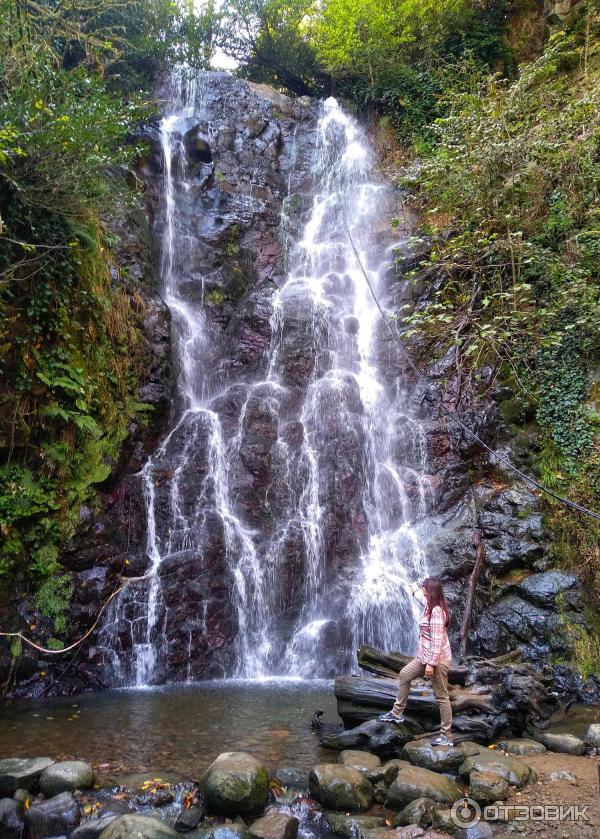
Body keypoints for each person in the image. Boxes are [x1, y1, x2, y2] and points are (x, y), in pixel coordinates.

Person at [379, 577, 453, 746]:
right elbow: (420, 596)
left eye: (424, 588)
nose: (423, 590)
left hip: (437, 660)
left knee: (441, 697)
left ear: (431, 591)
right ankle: (396, 713)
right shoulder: (429, 604)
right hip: (424, 657)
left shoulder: (436, 612)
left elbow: (437, 641)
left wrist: (431, 664)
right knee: (405, 674)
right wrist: (412, 589)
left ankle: (446, 736)